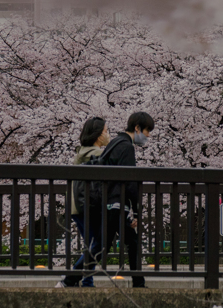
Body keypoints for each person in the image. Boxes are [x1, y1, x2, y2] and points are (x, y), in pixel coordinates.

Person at [97, 111, 155, 289]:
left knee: (103, 245)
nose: (148, 136)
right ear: (137, 128)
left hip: (108, 202)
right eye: (146, 131)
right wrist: (136, 211)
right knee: (125, 243)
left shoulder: (115, 143)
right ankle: (71, 278)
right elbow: (130, 181)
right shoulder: (127, 147)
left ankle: (73, 277)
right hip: (117, 203)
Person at [55, 117, 109, 288]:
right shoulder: (93, 153)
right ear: (99, 135)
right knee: (98, 243)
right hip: (87, 205)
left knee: (92, 244)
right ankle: (72, 278)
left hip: (79, 206)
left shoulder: (83, 152)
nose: (108, 135)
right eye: (106, 131)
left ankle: (86, 280)